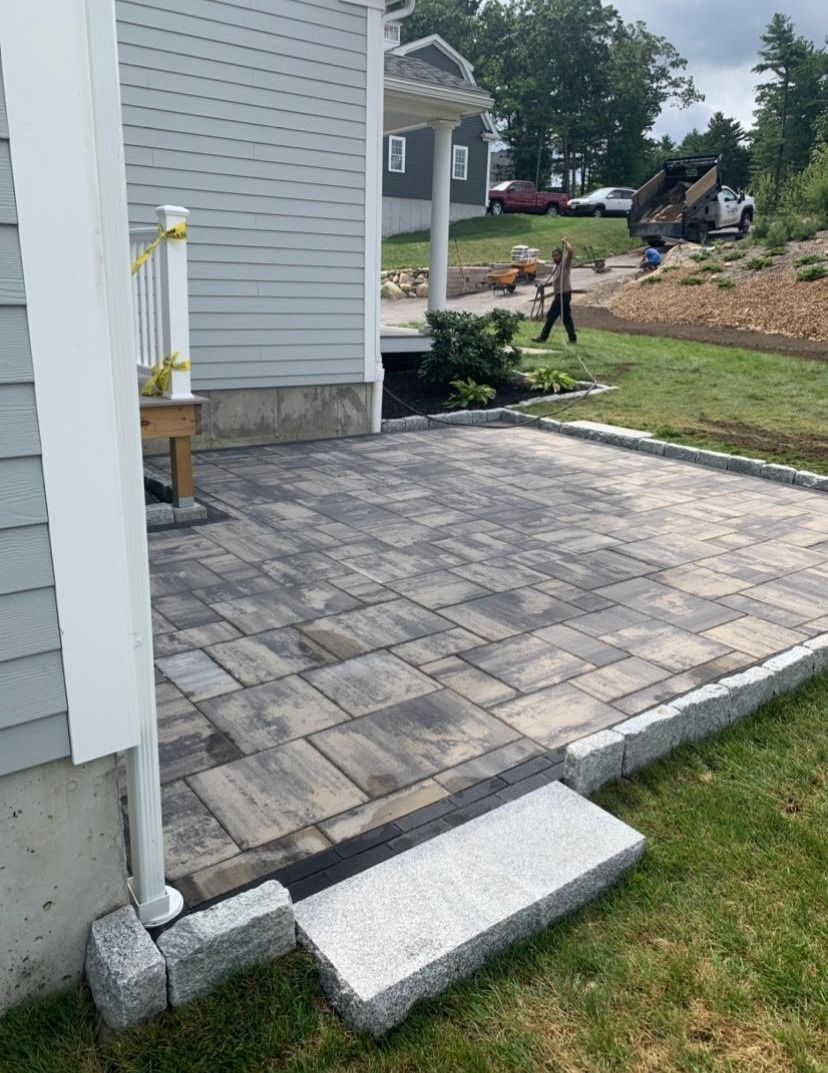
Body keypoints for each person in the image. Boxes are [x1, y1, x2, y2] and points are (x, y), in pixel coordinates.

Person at [531, 239, 576, 343]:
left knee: (551, 315)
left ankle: (543, 337)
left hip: (564, 294)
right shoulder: (555, 266)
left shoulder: (565, 263)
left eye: (556, 256)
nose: (554, 258)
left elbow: (570, 251)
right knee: (566, 317)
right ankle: (572, 338)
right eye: (553, 256)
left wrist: (565, 242)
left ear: (561, 255)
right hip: (559, 294)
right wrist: (544, 286)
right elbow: (555, 281)